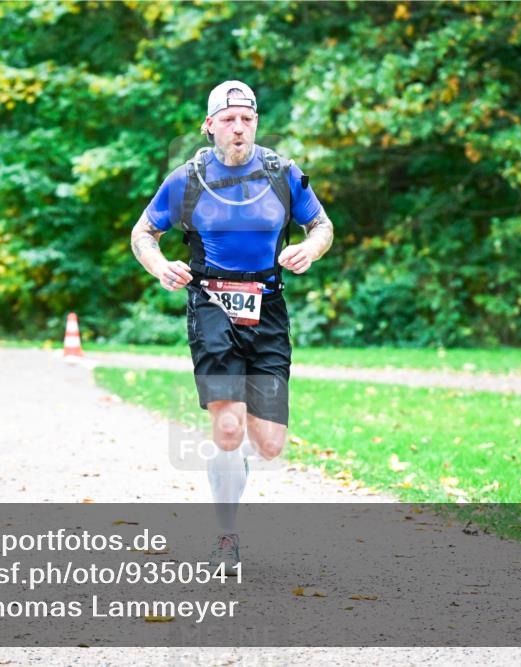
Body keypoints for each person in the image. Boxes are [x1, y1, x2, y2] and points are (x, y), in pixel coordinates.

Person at [131, 80, 335, 572]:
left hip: (268, 308)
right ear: (210, 127)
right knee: (226, 425)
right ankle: (226, 536)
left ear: (256, 122)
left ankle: (233, 455)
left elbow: (322, 225)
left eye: (247, 118)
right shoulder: (188, 179)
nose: (238, 127)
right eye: (228, 119)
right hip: (210, 304)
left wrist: (310, 248)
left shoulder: (283, 173)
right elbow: (143, 233)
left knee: (268, 443)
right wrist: (160, 267)